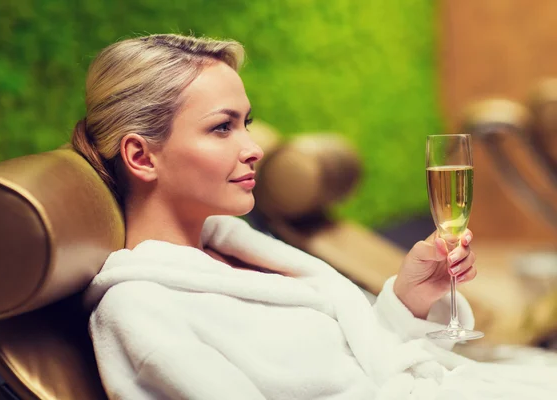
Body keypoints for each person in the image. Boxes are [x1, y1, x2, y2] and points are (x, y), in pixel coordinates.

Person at [73, 34, 556, 399]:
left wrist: (408, 300)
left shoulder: (237, 248)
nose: (254, 149)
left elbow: (353, 360)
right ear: (140, 156)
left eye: (247, 124)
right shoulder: (140, 309)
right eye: (222, 128)